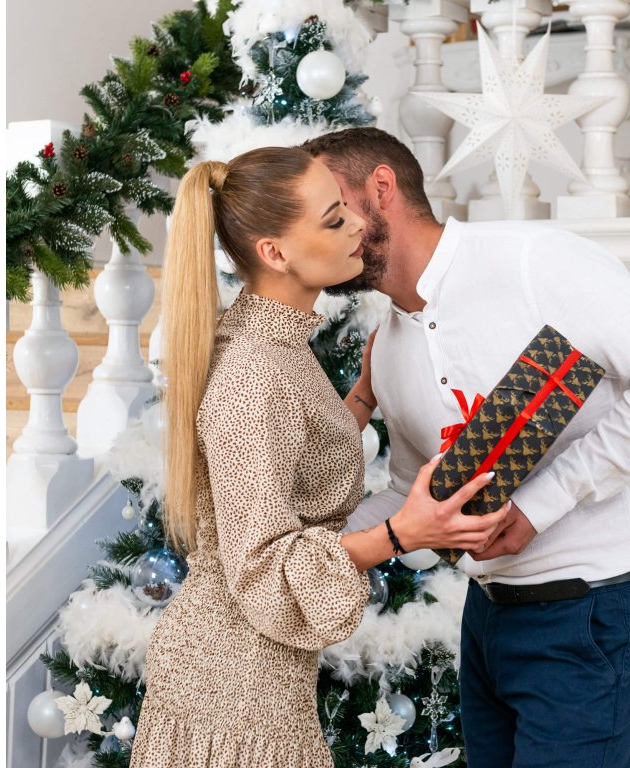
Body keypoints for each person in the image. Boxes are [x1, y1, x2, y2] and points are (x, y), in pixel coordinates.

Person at [301, 127, 630, 768]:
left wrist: (540, 505)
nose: (315, 231)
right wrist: (302, 551)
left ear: (381, 188)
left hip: (594, 613)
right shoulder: (386, 348)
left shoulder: (535, 261)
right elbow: (413, 493)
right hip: (487, 620)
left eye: (330, 206)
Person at [129, 147, 509, 768]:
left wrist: (361, 397)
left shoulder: (275, 343)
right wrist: (400, 534)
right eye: (334, 219)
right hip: (231, 684)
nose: (359, 223)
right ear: (275, 253)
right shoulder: (254, 374)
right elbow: (263, 565)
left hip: (255, 673)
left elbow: (295, 453)